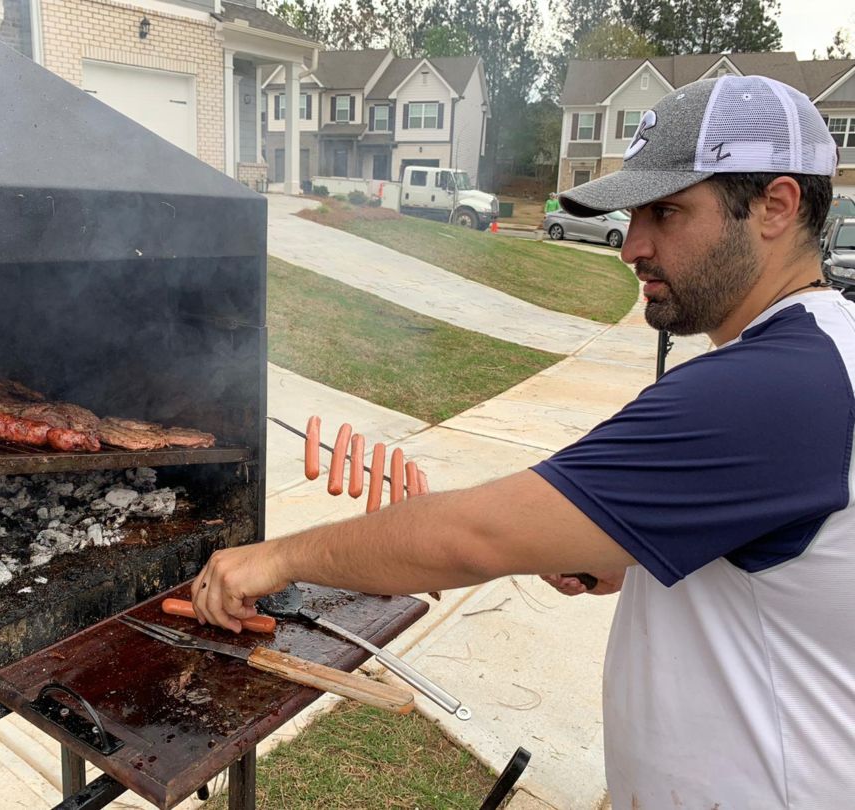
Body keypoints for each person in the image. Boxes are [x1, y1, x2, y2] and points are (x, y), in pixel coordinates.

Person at [191, 76, 854, 808]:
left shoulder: (769, 388)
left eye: (667, 211)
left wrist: (274, 557)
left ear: (777, 206)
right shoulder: (823, 355)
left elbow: (474, 537)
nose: (633, 245)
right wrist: (633, 557)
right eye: (636, 214)